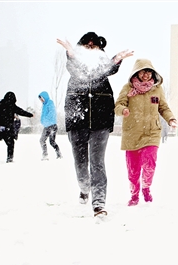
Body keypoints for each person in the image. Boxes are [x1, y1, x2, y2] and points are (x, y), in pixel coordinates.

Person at [57, 32, 133, 218]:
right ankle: (84, 187)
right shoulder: (75, 66)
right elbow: (74, 68)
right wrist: (71, 54)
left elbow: (108, 69)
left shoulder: (102, 67)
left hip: (100, 121)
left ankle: (99, 203)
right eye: (87, 45)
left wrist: (117, 59)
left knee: (97, 163)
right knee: (81, 163)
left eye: (94, 45)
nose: (91, 48)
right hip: (77, 121)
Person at [115, 59, 177, 206]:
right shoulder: (128, 88)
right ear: (137, 72)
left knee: (150, 162)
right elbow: (119, 104)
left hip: (152, 133)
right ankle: (134, 195)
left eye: (149, 72)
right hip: (132, 133)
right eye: (143, 71)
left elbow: (163, 108)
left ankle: (146, 187)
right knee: (133, 169)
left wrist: (171, 119)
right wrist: (123, 110)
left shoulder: (157, 89)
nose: (146, 75)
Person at [0, 91, 33, 163]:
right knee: (10, 144)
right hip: (6, 129)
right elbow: (21, 111)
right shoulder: (12, 106)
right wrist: (30, 115)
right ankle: (10, 158)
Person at [38, 91, 62, 160]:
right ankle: (46, 155)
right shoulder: (44, 105)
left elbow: (51, 114)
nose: (41, 100)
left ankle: (58, 154)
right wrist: (42, 121)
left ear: (45, 97)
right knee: (43, 140)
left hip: (52, 126)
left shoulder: (50, 103)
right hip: (47, 126)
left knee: (49, 141)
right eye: (40, 99)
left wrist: (45, 120)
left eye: (42, 98)